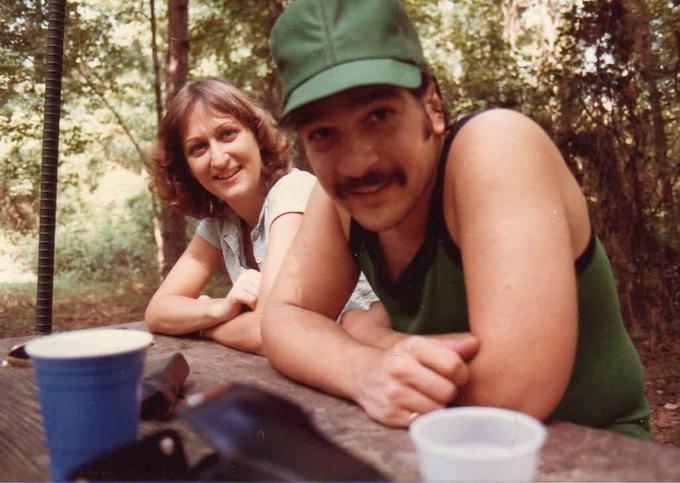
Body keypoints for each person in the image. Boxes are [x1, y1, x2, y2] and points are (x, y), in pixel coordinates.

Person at [262, 0, 650, 439]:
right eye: (322, 134)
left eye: (379, 115)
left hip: (592, 450)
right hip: (435, 449)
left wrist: (374, 338)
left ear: (432, 107)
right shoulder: (336, 200)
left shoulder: (496, 146)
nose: (356, 164)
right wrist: (364, 368)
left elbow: (513, 390)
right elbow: (282, 319)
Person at [145, 77, 378, 355]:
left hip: (370, 348)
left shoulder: (292, 193)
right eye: (198, 148)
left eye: (228, 134)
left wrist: (203, 327)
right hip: (311, 360)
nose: (219, 159)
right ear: (187, 168)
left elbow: (267, 332)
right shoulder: (220, 223)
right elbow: (157, 311)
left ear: (256, 135)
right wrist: (220, 308)